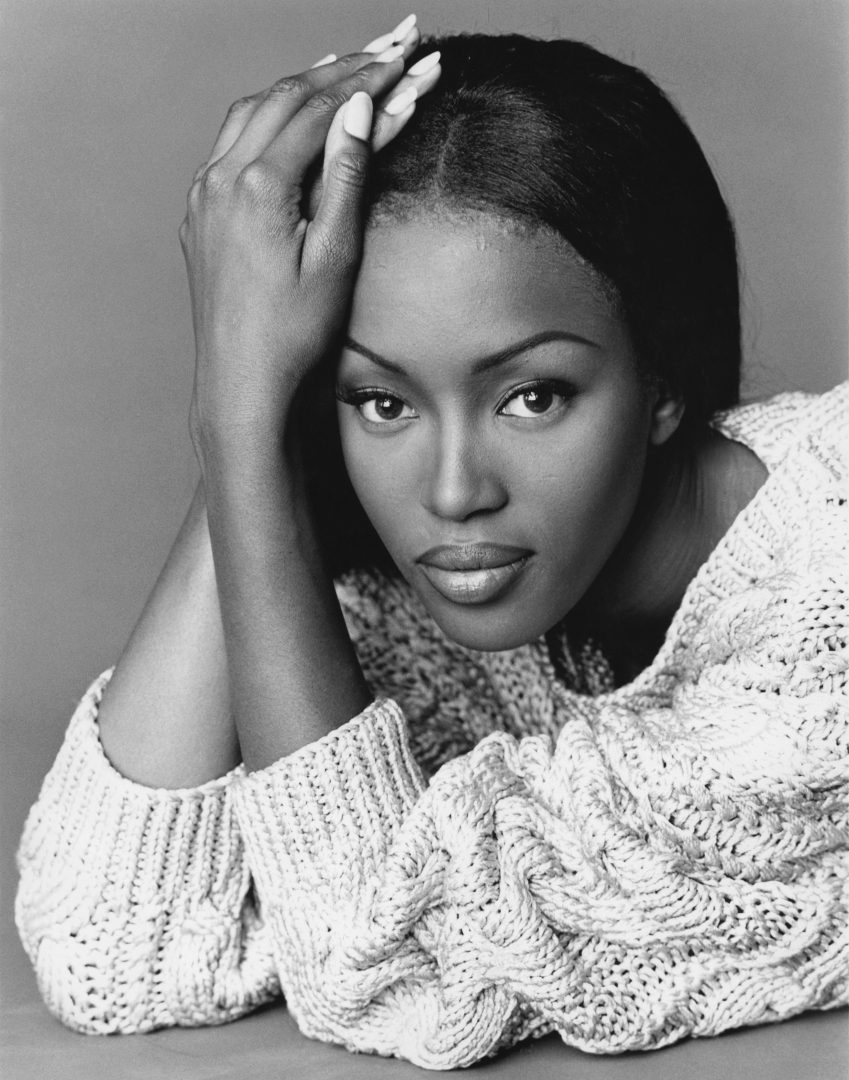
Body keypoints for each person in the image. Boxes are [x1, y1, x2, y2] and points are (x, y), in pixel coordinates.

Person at [15, 14, 848, 1071]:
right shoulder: (442, 617)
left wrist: (240, 419)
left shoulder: (825, 595)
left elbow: (391, 971)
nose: (454, 494)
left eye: (533, 395)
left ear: (664, 381)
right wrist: (250, 411)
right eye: (382, 401)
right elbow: (112, 949)